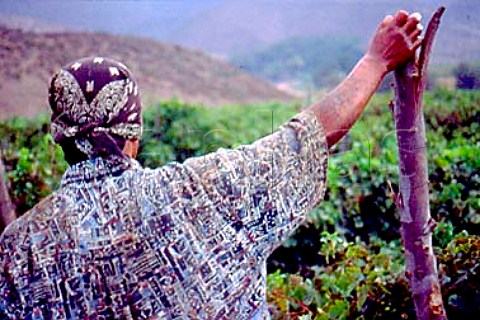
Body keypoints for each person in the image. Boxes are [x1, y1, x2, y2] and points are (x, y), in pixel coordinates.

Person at [0, 10, 422, 320]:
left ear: (59, 138)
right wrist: (376, 60)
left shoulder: (17, 249)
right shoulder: (196, 192)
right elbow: (311, 136)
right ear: (133, 135)